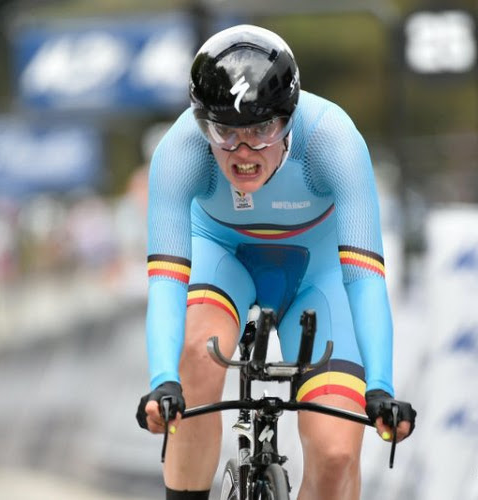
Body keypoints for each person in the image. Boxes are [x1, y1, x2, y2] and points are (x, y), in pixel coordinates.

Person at [137, 24, 416, 500]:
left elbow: (365, 278)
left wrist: (382, 388)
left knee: (336, 456)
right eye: (225, 132)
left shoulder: (333, 140)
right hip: (221, 256)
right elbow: (166, 281)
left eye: (262, 129)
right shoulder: (179, 151)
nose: (244, 152)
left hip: (319, 273)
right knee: (197, 359)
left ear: (290, 117)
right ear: (202, 123)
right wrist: (163, 381)